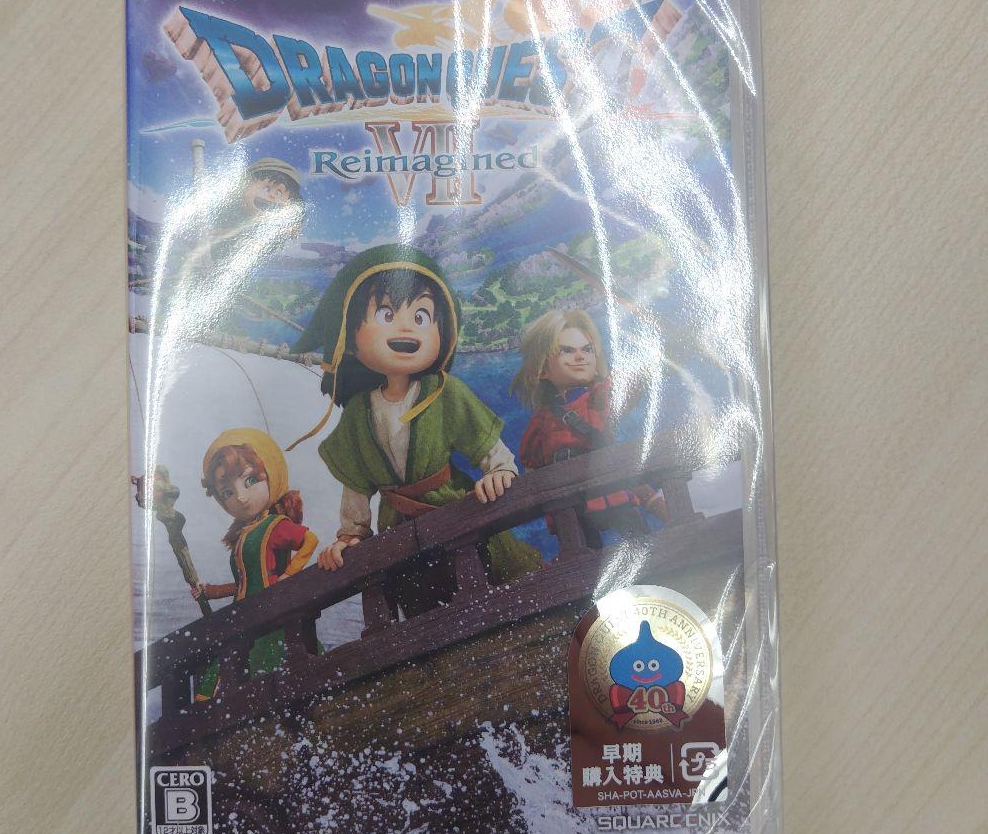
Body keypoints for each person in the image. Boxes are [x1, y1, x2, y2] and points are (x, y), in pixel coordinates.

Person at [290, 244, 542, 617]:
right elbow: (356, 486)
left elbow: (487, 446)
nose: (406, 327)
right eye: (386, 314)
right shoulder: (359, 414)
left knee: (488, 587)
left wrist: (500, 470)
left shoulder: (444, 393)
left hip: (454, 510)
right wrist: (352, 534)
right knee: (422, 608)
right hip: (398, 529)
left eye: (422, 316)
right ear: (350, 334)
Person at [511, 309, 667, 540]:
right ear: (542, 369)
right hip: (570, 503)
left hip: (610, 489)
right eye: (566, 351)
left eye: (587, 349)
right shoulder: (542, 421)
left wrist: (655, 362)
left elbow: (631, 383)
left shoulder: (600, 397)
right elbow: (531, 466)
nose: (580, 357)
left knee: (639, 539)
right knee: (580, 548)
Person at [192, 428, 318, 701]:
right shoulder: (243, 535)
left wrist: (289, 575)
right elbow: (244, 583)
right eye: (228, 492)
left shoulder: (275, 525)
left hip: (269, 616)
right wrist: (211, 591)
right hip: (244, 616)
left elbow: (309, 540)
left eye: (250, 480)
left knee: (265, 674)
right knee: (216, 683)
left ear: (270, 474)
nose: (240, 497)